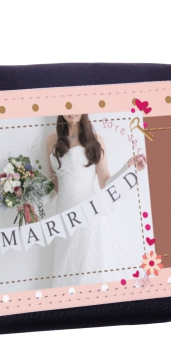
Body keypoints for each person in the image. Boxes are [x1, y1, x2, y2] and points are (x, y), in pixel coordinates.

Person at [46, 114, 147, 286]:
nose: (72, 111)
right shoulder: (51, 141)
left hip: (90, 213)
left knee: (90, 270)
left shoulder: (96, 140)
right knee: (66, 269)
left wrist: (127, 167)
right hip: (63, 217)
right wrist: (30, 203)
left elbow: (105, 183)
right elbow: (53, 187)